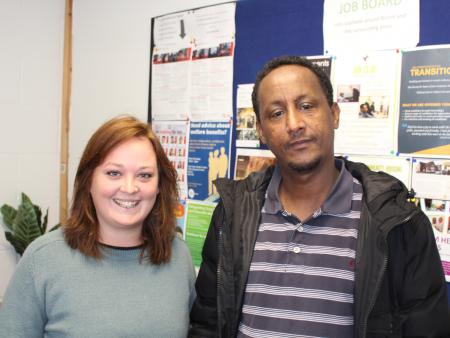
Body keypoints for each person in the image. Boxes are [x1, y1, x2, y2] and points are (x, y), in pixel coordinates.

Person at [189, 56, 450, 337]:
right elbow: (207, 325)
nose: (294, 123)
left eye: (306, 106)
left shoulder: (395, 221)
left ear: (334, 114)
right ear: (261, 131)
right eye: (276, 113)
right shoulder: (233, 215)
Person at [0, 115, 196, 337]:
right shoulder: (43, 259)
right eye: (114, 173)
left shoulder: (179, 256)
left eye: (144, 175)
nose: (130, 188)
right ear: (89, 180)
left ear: (159, 185)